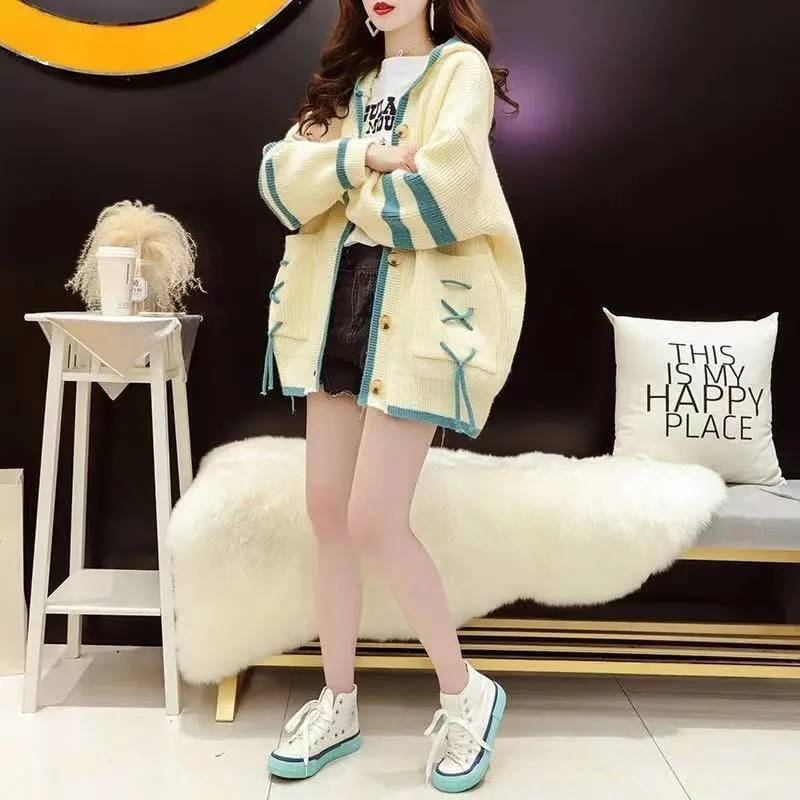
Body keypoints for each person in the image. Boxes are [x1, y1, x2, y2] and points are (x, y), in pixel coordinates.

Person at [257, 0, 525, 792]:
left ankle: (466, 693)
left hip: (415, 322)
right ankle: (338, 702)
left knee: (374, 519)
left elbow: (445, 196)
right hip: (329, 311)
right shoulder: (348, 84)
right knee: (327, 515)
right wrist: (370, 157)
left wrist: (338, 181)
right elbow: (279, 183)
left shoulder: (458, 70)